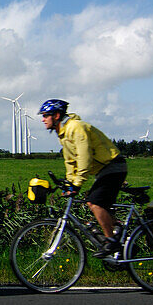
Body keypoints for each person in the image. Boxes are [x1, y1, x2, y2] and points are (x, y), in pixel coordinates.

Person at [38, 99, 128, 258]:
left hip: (113, 166)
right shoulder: (63, 133)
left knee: (94, 202)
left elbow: (84, 157)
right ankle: (118, 230)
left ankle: (111, 242)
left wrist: (77, 183)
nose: (42, 119)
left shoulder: (76, 128)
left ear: (57, 115)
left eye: (46, 115)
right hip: (103, 170)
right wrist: (69, 182)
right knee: (93, 200)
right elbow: (70, 161)